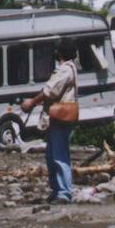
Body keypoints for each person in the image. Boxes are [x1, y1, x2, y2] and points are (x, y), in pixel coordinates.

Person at [18, 41, 79, 205]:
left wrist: (31, 102)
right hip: (57, 118)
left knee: (59, 156)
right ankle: (57, 190)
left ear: (60, 53)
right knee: (52, 155)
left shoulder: (65, 69)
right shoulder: (70, 68)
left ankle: (64, 193)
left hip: (59, 119)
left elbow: (50, 90)